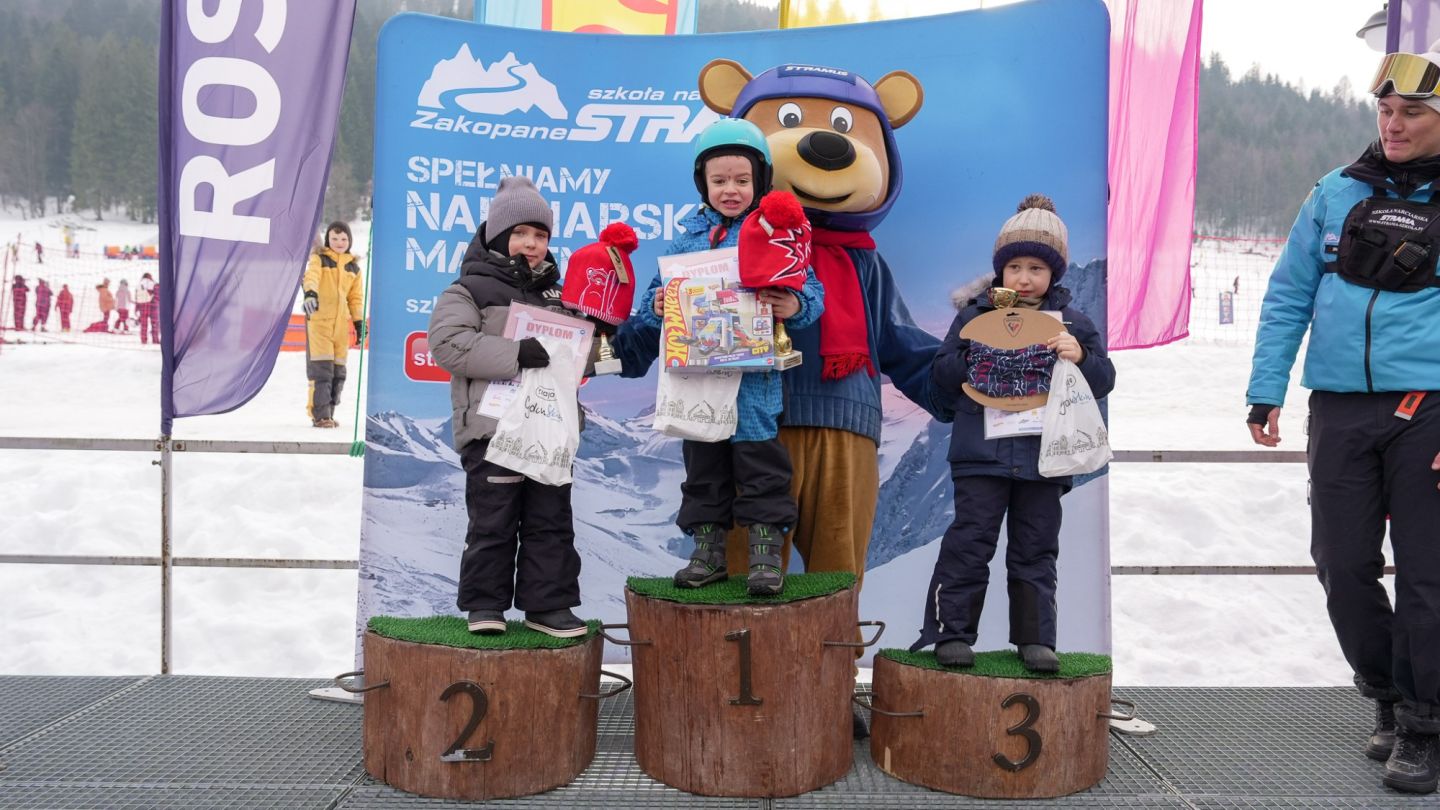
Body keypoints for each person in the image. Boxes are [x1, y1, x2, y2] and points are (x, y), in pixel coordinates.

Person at [1246, 45, 1440, 795]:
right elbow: (1288, 293)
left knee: (1427, 572)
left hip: (1429, 408)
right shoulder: (1334, 191)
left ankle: (1423, 721)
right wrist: (1266, 388)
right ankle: (1386, 691)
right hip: (1339, 404)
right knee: (1341, 561)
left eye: (1412, 112)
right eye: (1386, 110)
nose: (1394, 124)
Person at [613, 118, 825, 595]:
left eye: (742, 180)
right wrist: (657, 305)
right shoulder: (686, 241)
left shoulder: (777, 236)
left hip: (753, 381)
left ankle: (765, 555)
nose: (731, 190)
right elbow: (653, 298)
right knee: (703, 467)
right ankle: (708, 552)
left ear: (761, 180)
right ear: (702, 183)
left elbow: (810, 289)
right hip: (698, 379)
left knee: (761, 466)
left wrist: (794, 304)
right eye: (720, 180)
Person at [912, 195, 1114, 673]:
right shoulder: (972, 316)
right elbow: (941, 373)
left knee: (1036, 549)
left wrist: (1081, 357)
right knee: (970, 542)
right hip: (981, 456)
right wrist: (976, 350)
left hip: (1045, 458)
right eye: (1015, 267)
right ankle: (951, 633)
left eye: (1036, 269)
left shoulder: (1074, 324)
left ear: (1054, 273)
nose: (1024, 278)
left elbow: (1104, 380)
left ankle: (1035, 639)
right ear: (1000, 269)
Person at [428, 176, 590, 639]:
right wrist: (516, 352)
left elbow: (579, 360)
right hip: (493, 430)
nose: (531, 244)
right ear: (497, 235)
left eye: (540, 235)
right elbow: (449, 343)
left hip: (547, 430)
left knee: (551, 521)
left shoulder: (562, 296)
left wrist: (595, 341)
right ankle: (485, 605)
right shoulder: (468, 290)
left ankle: (549, 605)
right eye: (520, 233)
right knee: (493, 521)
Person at [301, 222, 365, 428]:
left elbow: (355, 298)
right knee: (322, 371)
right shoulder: (320, 259)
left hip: (340, 327)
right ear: (328, 240)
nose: (339, 242)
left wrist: (359, 322)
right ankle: (320, 415)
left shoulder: (353, 268)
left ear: (349, 241)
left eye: (343, 239)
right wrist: (310, 293)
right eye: (334, 238)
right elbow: (311, 277)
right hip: (320, 323)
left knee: (338, 373)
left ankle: (329, 413)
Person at [135, 272, 159, 344]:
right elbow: (157, 295)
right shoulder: (153, 283)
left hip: (142, 305)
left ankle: (143, 339)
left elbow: (137, 297)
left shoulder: (139, 285)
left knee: (144, 324)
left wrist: (137, 308)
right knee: (154, 323)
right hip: (153, 305)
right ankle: (155, 339)